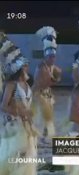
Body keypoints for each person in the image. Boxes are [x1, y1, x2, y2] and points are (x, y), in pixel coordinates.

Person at [0, 38, 39, 175]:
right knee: (17, 156)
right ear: (19, 67)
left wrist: (29, 115)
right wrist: (18, 113)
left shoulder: (27, 85)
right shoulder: (12, 85)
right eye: (25, 65)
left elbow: (27, 105)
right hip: (14, 126)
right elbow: (4, 106)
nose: (27, 67)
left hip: (27, 125)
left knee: (28, 155)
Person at [32, 26, 62, 141]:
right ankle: (40, 135)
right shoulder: (42, 68)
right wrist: (56, 79)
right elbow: (43, 84)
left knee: (48, 115)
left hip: (46, 93)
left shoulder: (52, 66)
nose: (52, 59)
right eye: (50, 57)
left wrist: (57, 76)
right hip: (38, 94)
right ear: (46, 56)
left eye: (54, 56)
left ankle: (45, 133)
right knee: (41, 116)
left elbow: (58, 73)